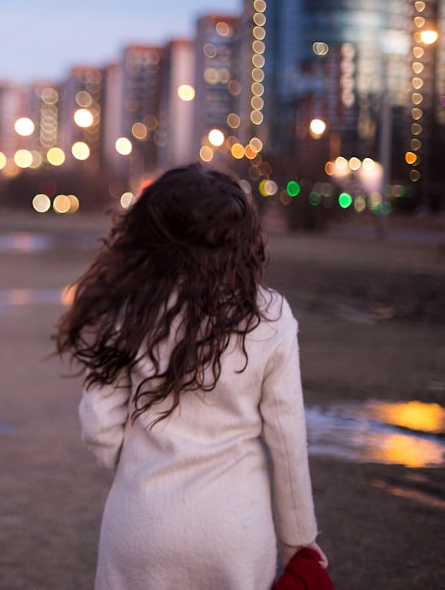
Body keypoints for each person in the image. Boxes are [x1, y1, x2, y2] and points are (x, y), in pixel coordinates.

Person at [56, 165, 327, 589]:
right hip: (235, 530)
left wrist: (137, 468)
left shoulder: (129, 308)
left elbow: (99, 421)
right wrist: (300, 540)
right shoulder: (272, 315)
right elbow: (288, 441)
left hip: (140, 524)